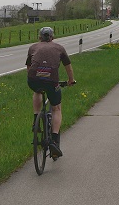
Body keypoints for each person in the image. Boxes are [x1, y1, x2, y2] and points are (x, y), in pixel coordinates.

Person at [26, 26, 75, 159]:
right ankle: (53, 140)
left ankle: (36, 118)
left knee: (37, 91)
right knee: (56, 108)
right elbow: (68, 68)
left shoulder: (33, 47)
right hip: (52, 81)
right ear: (53, 37)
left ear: (39, 37)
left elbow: (29, 67)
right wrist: (71, 80)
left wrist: (33, 78)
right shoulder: (59, 48)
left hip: (34, 79)